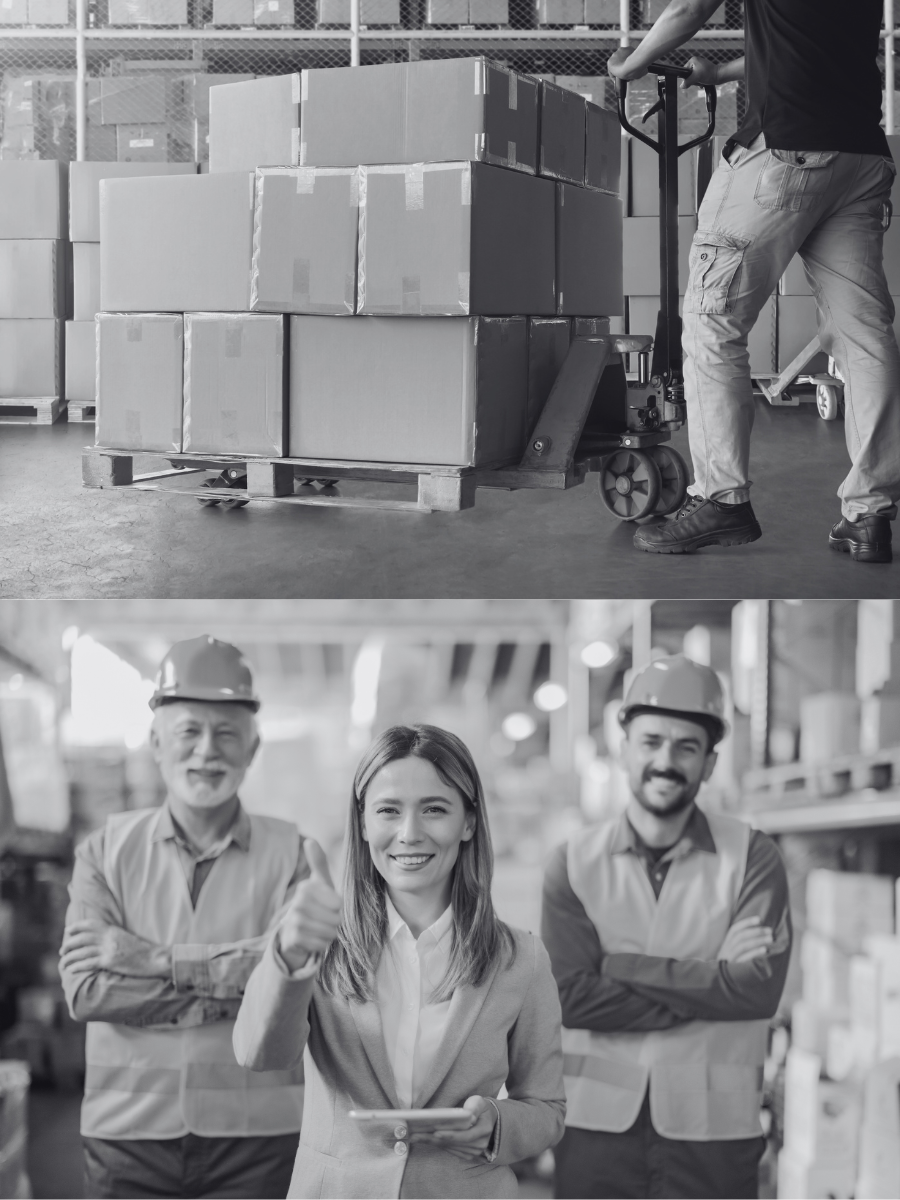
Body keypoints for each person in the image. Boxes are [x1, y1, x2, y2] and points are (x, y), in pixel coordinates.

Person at [607, 0, 900, 563]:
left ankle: (721, 499)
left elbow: (690, 8)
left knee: (713, 321)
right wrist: (720, 73)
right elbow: (815, 43)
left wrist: (632, 63)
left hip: (787, 151)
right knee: (865, 337)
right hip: (861, 158)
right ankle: (871, 513)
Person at [233, 724, 566, 1200]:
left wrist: (496, 1124)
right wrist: (290, 953)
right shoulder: (316, 936)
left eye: (434, 809)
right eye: (388, 810)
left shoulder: (522, 959)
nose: (409, 834)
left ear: (468, 822)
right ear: (364, 822)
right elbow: (259, 1055)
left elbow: (547, 1108)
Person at [59, 636, 308, 1200]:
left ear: (253, 747)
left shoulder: (293, 853)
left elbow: (298, 987)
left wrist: (146, 959)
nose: (206, 751)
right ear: (155, 741)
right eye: (188, 731)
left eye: (226, 734)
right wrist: (230, 992)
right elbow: (88, 991)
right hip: (127, 1138)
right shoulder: (105, 851)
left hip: (260, 1138)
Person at [542, 656, 792, 1200]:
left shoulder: (753, 856)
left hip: (716, 1137)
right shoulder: (573, 861)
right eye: (651, 741)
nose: (666, 761)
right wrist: (712, 978)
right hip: (595, 1133)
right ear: (624, 745)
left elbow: (755, 991)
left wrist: (622, 968)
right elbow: (570, 998)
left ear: (709, 763)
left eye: (687, 747)